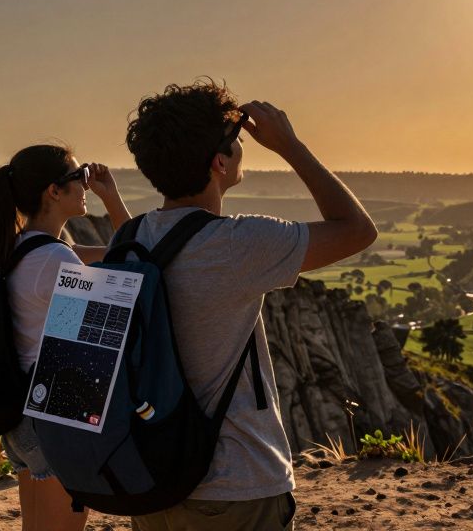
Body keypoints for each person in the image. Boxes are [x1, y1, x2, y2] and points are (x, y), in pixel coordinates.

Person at [121, 81, 377, 531]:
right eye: (236, 140)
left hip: (152, 482)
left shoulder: (132, 238)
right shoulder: (237, 244)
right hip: (237, 486)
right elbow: (357, 229)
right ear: (219, 162)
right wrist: (290, 146)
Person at [0, 146, 131, 531]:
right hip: (54, 417)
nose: (85, 185)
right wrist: (112, 198)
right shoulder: (56, 261)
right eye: (77, 176)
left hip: (21, 415)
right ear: (53, 191)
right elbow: (91, 343)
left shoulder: (23, 248)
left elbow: (94, 255)